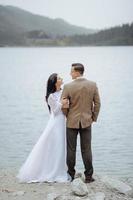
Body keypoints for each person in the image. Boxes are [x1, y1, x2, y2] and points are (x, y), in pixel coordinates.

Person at [17, 73, 70, 183]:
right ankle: (53, 171)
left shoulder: (64, 91)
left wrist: (64, 103)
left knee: (61, 146)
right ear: (55, 82)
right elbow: (54, 112)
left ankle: (60, 168)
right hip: (56, 123)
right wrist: (61, 103)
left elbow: (66, 105)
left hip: (63, 121)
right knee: (56, 145)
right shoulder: (51, 96)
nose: (62, 78)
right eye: (59, 78)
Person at [61, 63, 101, 183]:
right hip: (87, 121)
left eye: (71, 71)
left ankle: (71, 175)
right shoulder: (92, 85)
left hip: (71, 122)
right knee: (86, 149)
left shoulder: (68, 86)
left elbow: (63, 105)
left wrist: (68, 115)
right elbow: (97, 104)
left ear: (77, 72)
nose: (70, 73)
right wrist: (93, 117)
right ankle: (88, 177)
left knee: (71, 149)